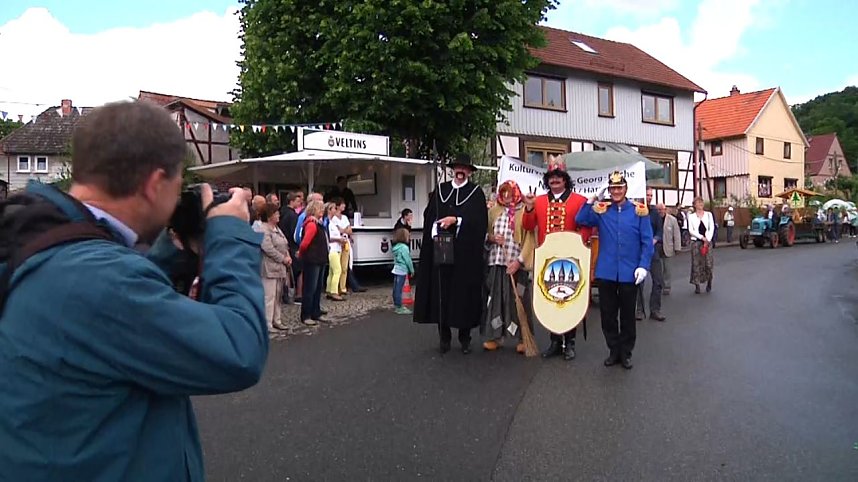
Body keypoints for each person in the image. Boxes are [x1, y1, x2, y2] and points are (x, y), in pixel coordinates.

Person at [0, 100, 267, 480]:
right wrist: (231, 234)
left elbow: (115, 303)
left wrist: (176, 251)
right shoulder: (99, 278)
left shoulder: (45, 238)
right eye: (177, 186)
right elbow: (239, 349)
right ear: (154, 184)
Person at [576, 171, 653, 370]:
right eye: (613, 188)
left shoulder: (639, 211)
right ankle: (613, 350)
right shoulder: (602, 210)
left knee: (627, 316)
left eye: (619, 188)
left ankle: (626, 353)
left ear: (626, 189)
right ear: (609, 190)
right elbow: (581, 218)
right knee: (608, 316)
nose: (616, 191)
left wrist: (643, 266)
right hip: (607, 271)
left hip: (629, 272)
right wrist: (592, 199)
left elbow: (647, 242)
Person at [413, 154, 487, 355]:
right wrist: (436, 227)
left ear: (469, 171)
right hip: (442, 249)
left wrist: (457, 220)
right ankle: (444, 338)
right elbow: (429, 215)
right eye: (458, 168)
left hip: (465, 254)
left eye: (465, 168)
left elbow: (479, 221)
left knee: (463, 294)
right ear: (454, 170)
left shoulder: (476, 193)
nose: (461, 171)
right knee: (441, 292)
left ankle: (465, 338)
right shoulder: (441, 190)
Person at [521, 156, 592, 360]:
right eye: (551, 176)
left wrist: (576, 243)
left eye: (558, 176)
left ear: (565, 179)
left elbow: (587, 227)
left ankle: (570, 342)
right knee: (550, 299)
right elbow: (527, 226)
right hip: (547, 260)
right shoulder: (539, 201)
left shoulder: (579, 201)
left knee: (570, 298)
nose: (555, 180)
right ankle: (554, 341)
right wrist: (528, 208)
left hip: (571, 260)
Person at [483, 180, 535, 353]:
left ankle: (523, 337)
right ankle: (495, 336)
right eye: (503, 193)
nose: (506, 197)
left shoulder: (523, 212)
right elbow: (485, 233)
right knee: (496, 299)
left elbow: (530, 239)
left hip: (517, 264)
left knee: (519, 299)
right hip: (497, 262)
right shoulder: (493, 212)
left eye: (510, 194)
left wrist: (519, 261)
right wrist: (492, 238)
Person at [260, 203, 291, 331]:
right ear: (269, 215)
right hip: (269, 268)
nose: (278, 215)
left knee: (278, 296)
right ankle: (267, 323)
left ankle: (276, 320)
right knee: (269, 296)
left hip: (280, 268)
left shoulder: (277, 228)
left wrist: (288, 256)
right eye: (276, 213)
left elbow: (284, 244)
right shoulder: (263, 229)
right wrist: (283, 258)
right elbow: (268, 248)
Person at [296, 199, 328, 325]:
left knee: (318, 287)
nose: (322, 211)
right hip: (312, 260)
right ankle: (306, 315)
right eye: (320, 209)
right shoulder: (311, 224)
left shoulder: (319, 223)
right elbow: (305, 243)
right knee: (310, 288)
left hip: (320, 259)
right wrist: (301, 253)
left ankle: (316, 312)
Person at [636, 187, 665, 322]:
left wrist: (654, 240)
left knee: (658, 281)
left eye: (651, 195)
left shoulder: (654, 213)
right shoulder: (636, 211)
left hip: (653, 251)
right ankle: (639, 310)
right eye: (647, 195)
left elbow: (659, 231)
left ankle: (655, 310)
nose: (649, 197)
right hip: (639, 251)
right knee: (639, 282)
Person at [688, 196, 715, 293]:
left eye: (701, 202)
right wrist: (701, 237)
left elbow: (711, 227)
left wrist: (707, 239)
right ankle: (697, 285)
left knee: (708, 263)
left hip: (707, 241)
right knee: (696, 264)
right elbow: (691, 230)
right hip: (696, 242)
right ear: (694, 205)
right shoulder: (691, 216)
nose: (700, 204)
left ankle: (709, 281)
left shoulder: (708, 215)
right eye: (698, 203)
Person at [280, 191, 304, 302]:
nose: (299, 204)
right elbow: (295, 233)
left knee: (287, 271)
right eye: (297, 201)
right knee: (298, 271)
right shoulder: (293, 215)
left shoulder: (281, 212)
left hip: (283, 244)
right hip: (293, 245)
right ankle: (298, 294)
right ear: (291, 201)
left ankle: (286, 294)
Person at [658, 203, 682, 296]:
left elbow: (676, 234)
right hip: (657, 247)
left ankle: (667, 286)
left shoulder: (672, 220)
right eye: (659, 209)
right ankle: (659, 286)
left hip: (668, 247)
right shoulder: (654, 219)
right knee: (658, 269)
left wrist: (677, 247)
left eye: (662, 209)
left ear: (665, 210)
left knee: (667, 269)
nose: (661, 211)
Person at [331, 198, 354, 296]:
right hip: (337, 243)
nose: (344, 206)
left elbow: (350, 231)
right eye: (342, 204)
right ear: (337, 206)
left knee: (344, 266)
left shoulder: (344, 217)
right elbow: (338, 231)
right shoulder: (333, 218)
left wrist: (343, 230)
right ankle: (335, 288)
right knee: (337, 267)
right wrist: (344, 230)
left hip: (346, 242)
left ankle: (343, 287)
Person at [324, 201, 345, 301]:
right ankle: (334, 292)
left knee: (332, 271)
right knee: (337, 270)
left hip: (337, 248)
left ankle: (329, 290)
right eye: (334, 208)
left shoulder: (332, 222)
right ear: (329, 210)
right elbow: (328, 237)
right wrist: (338, 239)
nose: (336, 210)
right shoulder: (327, 222)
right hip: (332, 248)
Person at [391, 227, 415, 314]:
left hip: (396, 269)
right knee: (399, 289)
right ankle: (399, 307)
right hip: (402, 270)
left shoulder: (396, 247)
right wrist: (412, 270)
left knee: (395, 288)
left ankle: (396, 304)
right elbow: (407, 260)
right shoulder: (404, 248)